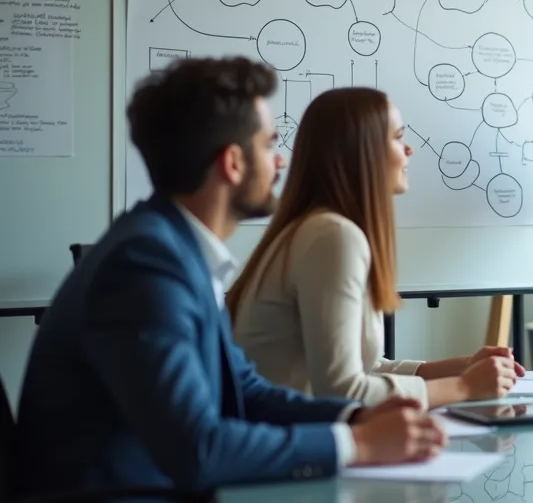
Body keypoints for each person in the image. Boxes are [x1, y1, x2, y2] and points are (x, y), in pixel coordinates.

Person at [14, 57, 446, 497]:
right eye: (269, 145)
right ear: (233, 163)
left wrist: (354, 418)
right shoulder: (144, 266)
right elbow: (198, 449)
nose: (281, 162)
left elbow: (246, 391)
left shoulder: (175, 249)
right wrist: (357, 444)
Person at [228, 87, 522, 409]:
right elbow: (342, 391)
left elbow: (364, 369)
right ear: (362, 151)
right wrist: (463, 387)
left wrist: (459, 369)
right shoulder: (331, 236)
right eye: (398, 137)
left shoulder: (319, 229)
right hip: (295, 437)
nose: (409, 149)